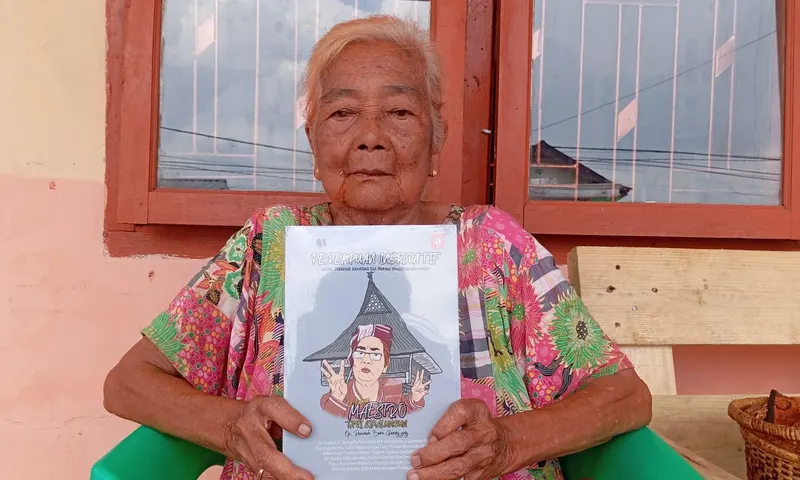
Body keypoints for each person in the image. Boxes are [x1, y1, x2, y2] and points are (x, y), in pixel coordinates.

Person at [103, 14, 652, 480]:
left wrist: (506, 442)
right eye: (343, 113)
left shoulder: (493, 246)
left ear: (436, 137)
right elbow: (129, 383)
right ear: (313, 141)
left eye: (399, 112)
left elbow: (625, 396)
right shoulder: (267, 245)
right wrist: (229, 425)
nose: (371, 135)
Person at [319, 323, 429, 418]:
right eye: (360, 353)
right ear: (352, 361)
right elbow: (330, 427)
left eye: (375, 355)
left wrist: (415, 398)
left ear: (385, 365)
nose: (366, 360)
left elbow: (407, 414)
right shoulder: (331, 399)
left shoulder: (394, 391)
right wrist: (337, 399)